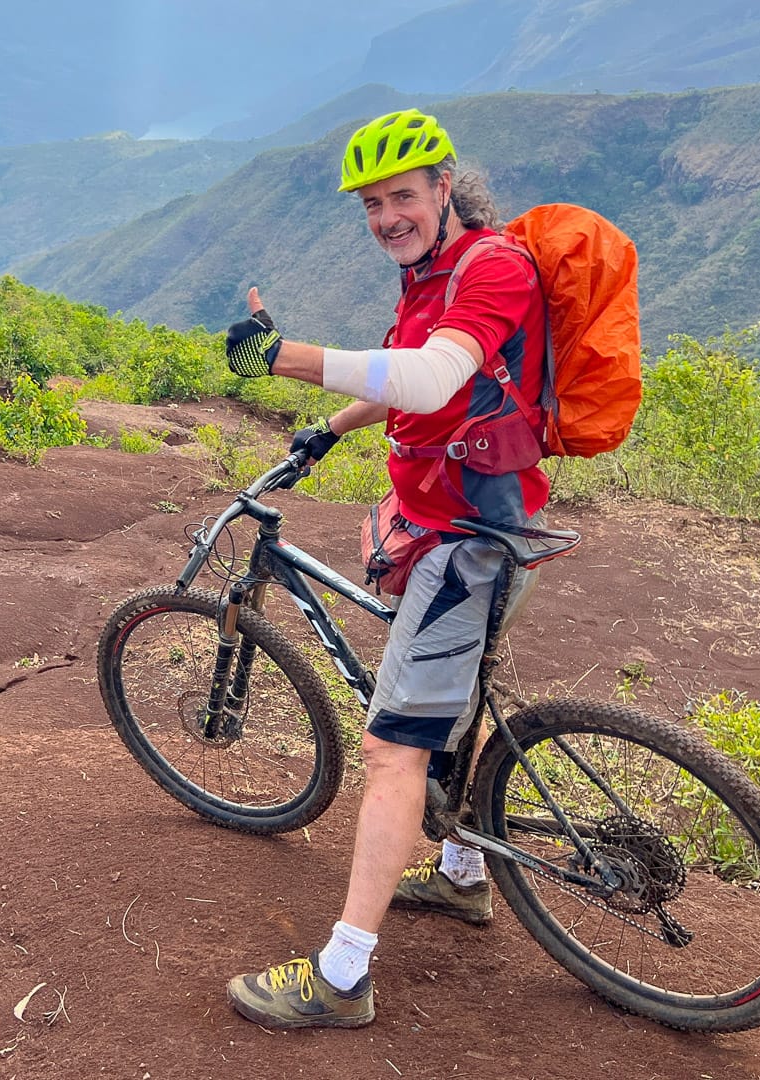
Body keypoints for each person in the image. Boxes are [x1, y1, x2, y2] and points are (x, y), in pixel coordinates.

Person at [219, 109, 552, 1030]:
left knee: (392, 747)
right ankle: (463, 871)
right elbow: (401, 373)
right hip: (480, 520)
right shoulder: (429, 272)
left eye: (402, 196)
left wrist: (282, 358)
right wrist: (328, 427)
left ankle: (344, 975)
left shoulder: (491, 266)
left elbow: (432, 382)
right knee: (451, 705)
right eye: (372, 204)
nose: (387, 217)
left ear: (445, 187)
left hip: (468, 540)